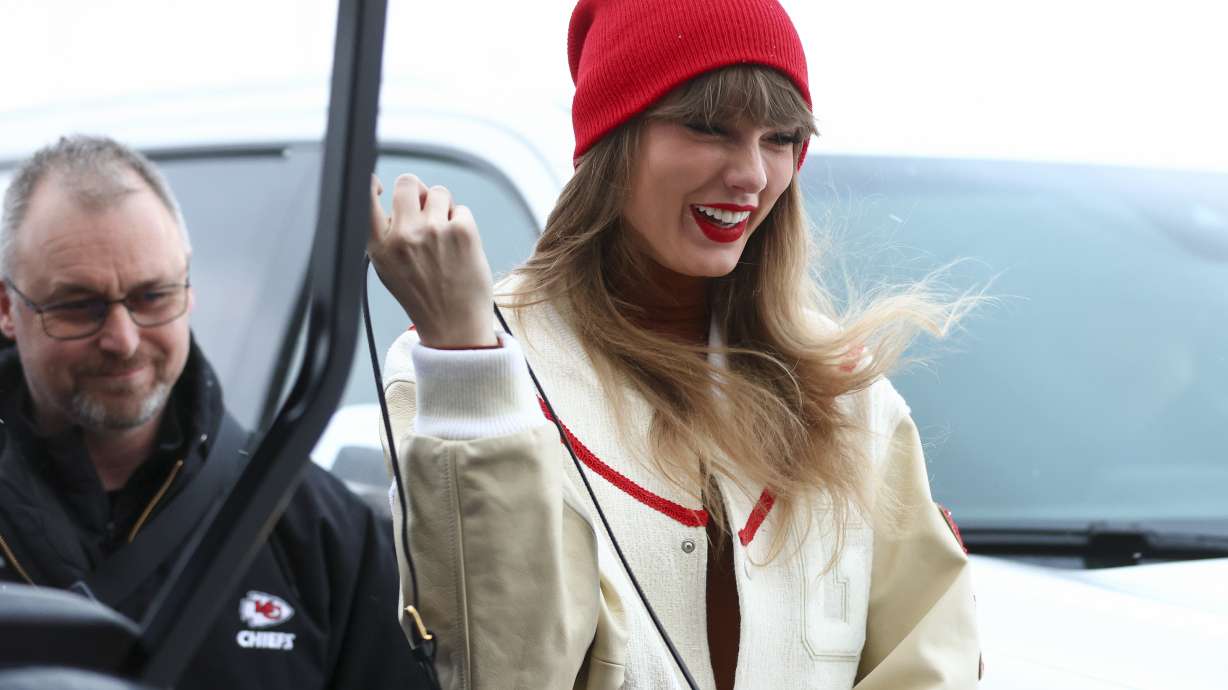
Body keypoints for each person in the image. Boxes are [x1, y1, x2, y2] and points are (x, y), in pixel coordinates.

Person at [368, 0, 981, 688]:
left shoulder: (843, 387)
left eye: (780, 138)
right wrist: (464, 360)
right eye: (708, 126)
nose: (752, 174)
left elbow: (930, 662)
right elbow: (500, 672)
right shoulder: (468, 363)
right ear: (616, 138)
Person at [0, 135, 419, 689]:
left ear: (188, 288)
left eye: (152, 296)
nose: (123, 339)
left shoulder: (317, 533)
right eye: (79, 306)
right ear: (7, 308)